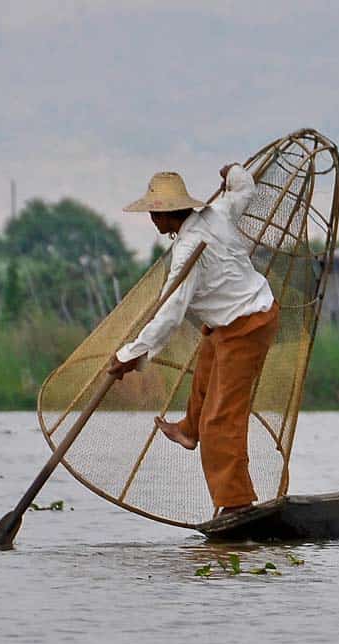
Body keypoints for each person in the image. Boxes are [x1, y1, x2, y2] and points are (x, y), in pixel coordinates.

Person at [109, 163, 279, 516]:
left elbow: (170, 312)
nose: (153, 220)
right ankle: (188, 429)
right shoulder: (217, 212)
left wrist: (132, 354)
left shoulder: (188, 251)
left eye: (157, 213)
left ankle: (235, 504)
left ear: (171, 214)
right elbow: (244, 189)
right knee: (204, 373)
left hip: (248, 324)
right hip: (227, 323)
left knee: (221, 418)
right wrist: (232, 171)